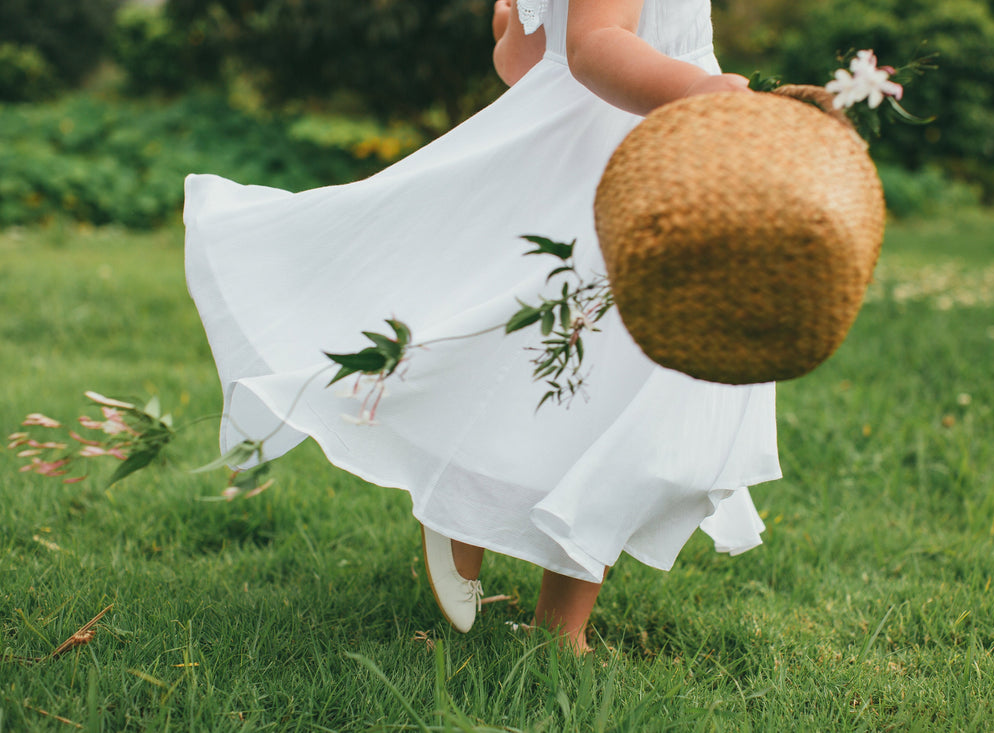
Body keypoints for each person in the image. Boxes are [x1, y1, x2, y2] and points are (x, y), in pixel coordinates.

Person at [184, 0, 782, 654]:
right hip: (612, 165)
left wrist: (513, 30)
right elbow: (591, 44)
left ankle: (560, 623)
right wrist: (694, 89)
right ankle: (462, 499)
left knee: (634, 404)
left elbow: (524, 61)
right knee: (564, 377)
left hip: (667, 157)